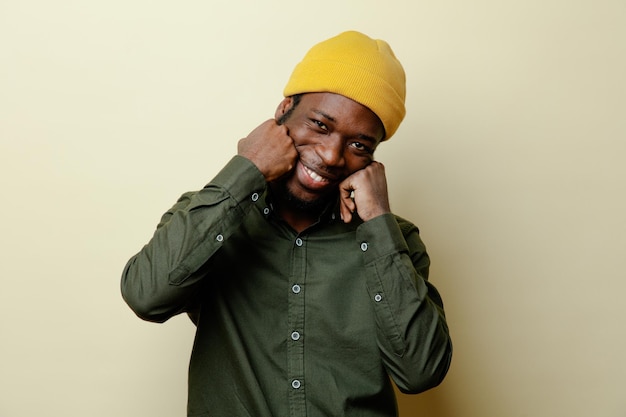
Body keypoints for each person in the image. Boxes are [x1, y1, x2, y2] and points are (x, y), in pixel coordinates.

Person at [121, 30, 452, 417]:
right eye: (320, 125)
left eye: (359, 145)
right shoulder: (211, 217)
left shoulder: (394, 242)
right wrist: (246, 170)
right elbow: (145, 296)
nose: (331, 156)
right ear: (283, 112)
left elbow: (421, 373)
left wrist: (378, 220)